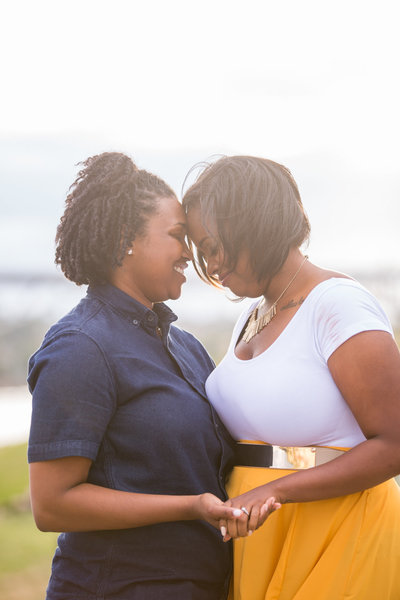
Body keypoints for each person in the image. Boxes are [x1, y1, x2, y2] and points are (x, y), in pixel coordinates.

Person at [27, 152, 249, 600]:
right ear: (127, 239)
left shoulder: (183, 347)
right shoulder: (81, 347)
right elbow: (52, 504)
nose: (189, 252)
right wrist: (190, 507)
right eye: (177, 235)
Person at [183, 155, 400, 600]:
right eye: (202, 252)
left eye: (213, 246)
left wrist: (274, 491)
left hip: (338, 529)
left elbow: (395, 444)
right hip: (261, 533)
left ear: (253, 224)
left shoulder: (337, 305)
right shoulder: (251, 314)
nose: (211, 264)